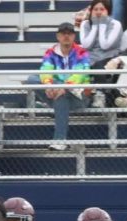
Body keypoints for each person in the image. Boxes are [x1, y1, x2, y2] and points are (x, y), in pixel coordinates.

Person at [32, 22, 91, 151]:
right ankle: (60, 141)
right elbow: (46, 69)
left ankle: (59, 140)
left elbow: (80, 74)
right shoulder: (50, 52)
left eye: (69, 33)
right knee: (32, 80)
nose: (66, 36)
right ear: (58, 36)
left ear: (74, 36)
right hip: (58, 92)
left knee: (61, 95)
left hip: (78, 96)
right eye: (63, 34)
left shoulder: (81, 52)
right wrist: (48, 85)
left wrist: (64, 87)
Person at [77, 0, 123, 106]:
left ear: (108, 11)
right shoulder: (85, 24)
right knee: (76, 65)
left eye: (102, 9)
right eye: (95, 9)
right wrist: (94, 26)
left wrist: (101, 25)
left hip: (110, 57)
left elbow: (105, 45)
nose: (98, 12)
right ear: (91, 11)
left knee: (98, 66)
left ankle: (101, 95)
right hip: (90, 58)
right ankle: (76, 98)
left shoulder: (115, 24)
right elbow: (86, 45)